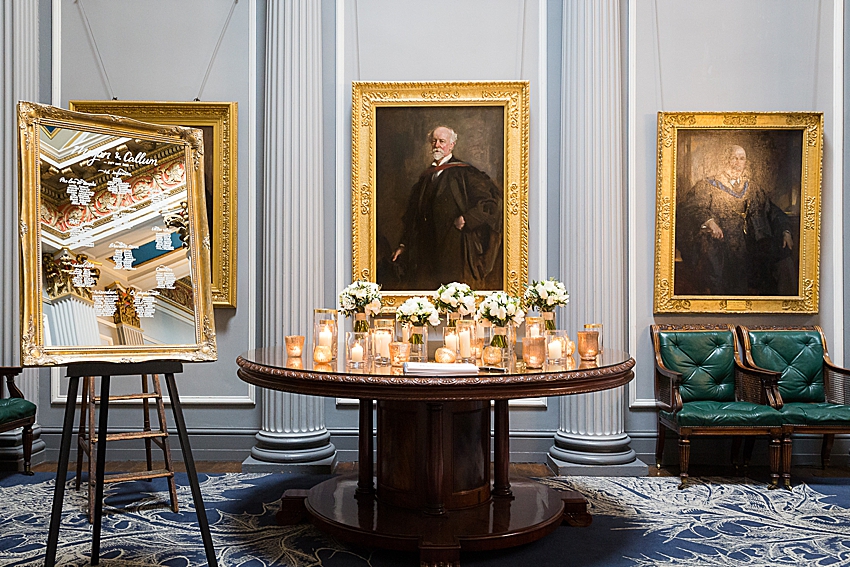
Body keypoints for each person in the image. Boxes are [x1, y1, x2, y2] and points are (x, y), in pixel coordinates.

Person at [391, 126, 503, 290]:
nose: (437, 145)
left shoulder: (464, 173)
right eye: (434, 141)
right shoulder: (426, 177)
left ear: (451, 145)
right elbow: (413, 216)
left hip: (454, 250)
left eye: (442, 141)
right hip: (426, 253)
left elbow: (491, 202)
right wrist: (403, 245)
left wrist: (468, 218)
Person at [676, 144, 796, 296]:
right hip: (724, 247)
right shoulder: (707, 186)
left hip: (753, 245)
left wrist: (785, 230)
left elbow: (773, 212)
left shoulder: (753, 188)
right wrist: (710, 222)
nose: (738, 163)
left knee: (783, 260)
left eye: (742, 159)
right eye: (734, 158)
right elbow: (689, 208)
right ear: (725, 160)